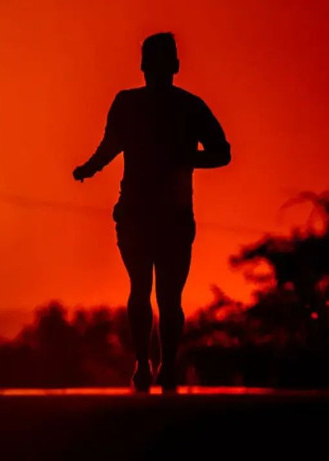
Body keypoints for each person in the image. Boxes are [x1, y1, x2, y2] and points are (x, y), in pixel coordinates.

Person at [72, 32, 231, 392]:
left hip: (160, 215)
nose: (155, 70)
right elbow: (111, 145)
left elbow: (222, 152)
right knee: (152, 291)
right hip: (143, 214)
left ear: (167, 66)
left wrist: (184, 158)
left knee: (154, 292)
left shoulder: (177, 106)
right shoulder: (165, 105)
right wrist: (89, 168)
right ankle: (153, 366)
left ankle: (158, 366)